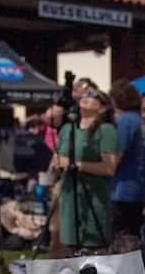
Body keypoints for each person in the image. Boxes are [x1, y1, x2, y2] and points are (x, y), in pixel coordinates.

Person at [50, 85, 119, 255]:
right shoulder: (67, 129)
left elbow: (109, 168)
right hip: (68, 195)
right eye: (85, 94)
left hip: (93, 196)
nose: (86, 96)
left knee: (94, 247)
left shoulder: (106, 130)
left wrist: (77, 165)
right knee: (67, 246)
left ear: (102, 107)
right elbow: (57, 159)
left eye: (93, 95)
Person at [109, 79, 145, 254]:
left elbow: (116, 156)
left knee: (121, 237)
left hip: (123, 189)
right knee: (134, 233)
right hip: (140, 187)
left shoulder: (125, 121)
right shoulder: (142, 122)